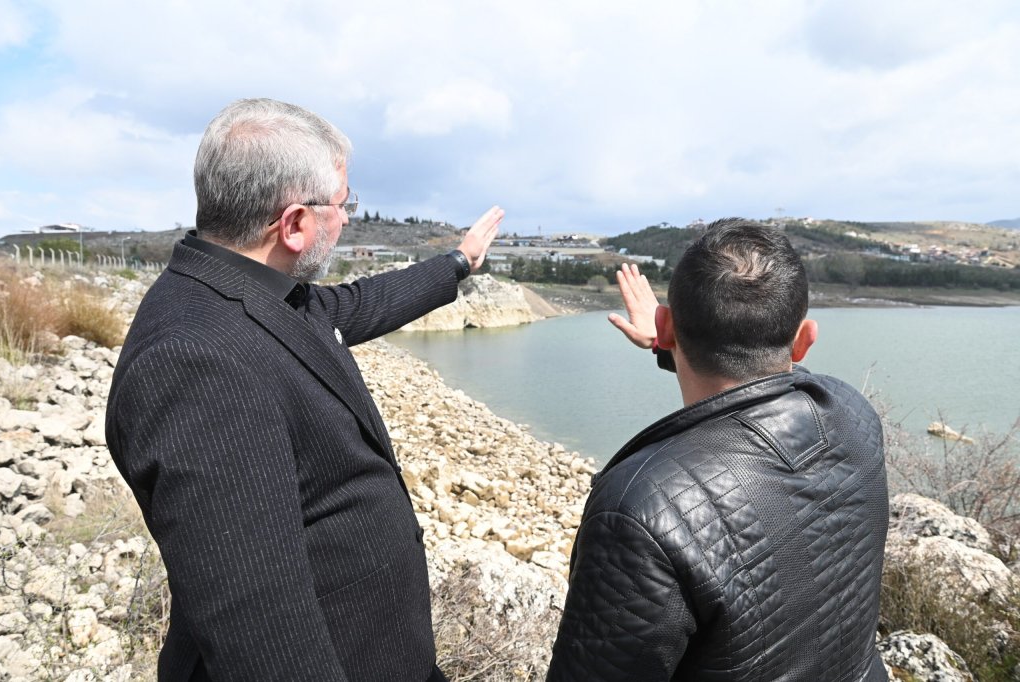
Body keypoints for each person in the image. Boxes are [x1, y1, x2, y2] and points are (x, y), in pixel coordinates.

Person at [105, 98, 503, 682]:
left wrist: (458, 263)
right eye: (343, 204)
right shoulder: (197, 364)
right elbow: (260, 632)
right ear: (294, 224)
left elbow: (362, 303)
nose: (347, 220)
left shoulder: (256, 291)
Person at [546, 219, 889, 681]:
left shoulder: (639, 509)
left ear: (664, 326)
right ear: (805, 340)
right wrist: (670, 345)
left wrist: (671, 340)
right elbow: (763, 387)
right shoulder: (851, 411)